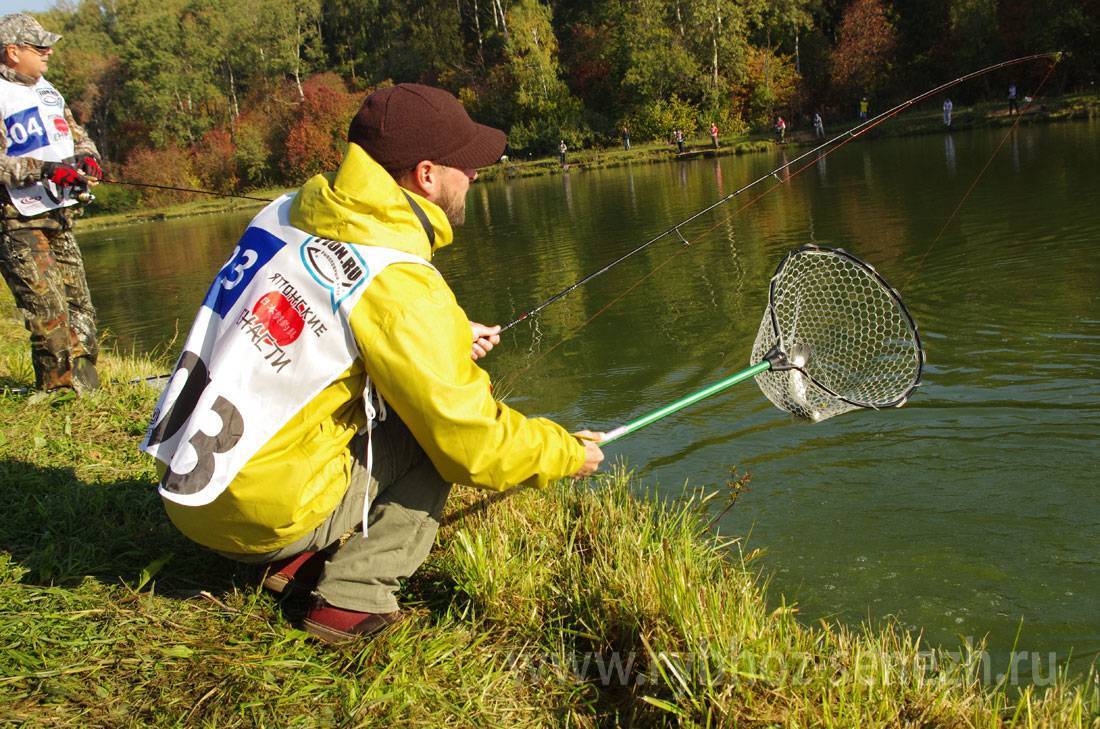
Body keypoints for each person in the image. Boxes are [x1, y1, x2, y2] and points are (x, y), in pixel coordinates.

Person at [140, 83, 605, 644]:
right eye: (468, 166)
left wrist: (452, 333)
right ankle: (350, 601)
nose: (476, 175)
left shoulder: (286, 211)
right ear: (427, 175)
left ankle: (291, 563)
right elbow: (473, 444)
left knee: (391, 399)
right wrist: (565, 453)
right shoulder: (401, 283)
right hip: (254, 514)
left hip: (185, 492)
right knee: (434, 443)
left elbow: (338, 305)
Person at [0, 14, 103, 393]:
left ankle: (86, 385)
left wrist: (87, 157)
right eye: (38, 46)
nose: (49, 51)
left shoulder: (49, 90)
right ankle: (57, 393)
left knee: (80, 307)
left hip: (58, 213)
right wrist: (43, 169)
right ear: (12, 52)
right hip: (16, 220)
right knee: (48, 311)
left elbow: (78, 136)